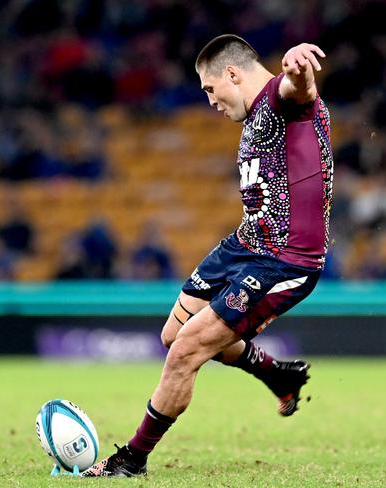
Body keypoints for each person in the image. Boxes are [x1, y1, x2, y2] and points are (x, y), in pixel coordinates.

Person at [82, 34, 333, 477]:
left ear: (232, 74)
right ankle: (277, 374)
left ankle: (132, 460)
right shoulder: (255, 117)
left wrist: (298, 68)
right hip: (244, 245)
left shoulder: (278, 100)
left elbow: (300, 90)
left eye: (209, 89)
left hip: (284, 262)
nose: (211, 101)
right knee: (171, 335)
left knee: (185, 351)